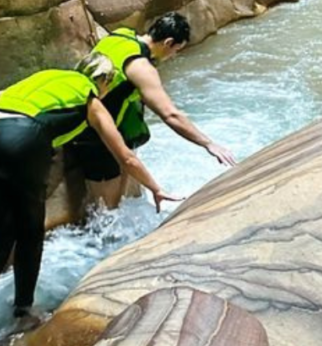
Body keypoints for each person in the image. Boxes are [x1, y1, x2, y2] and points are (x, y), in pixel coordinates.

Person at [0, 53, 177, 344]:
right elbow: (125, 156)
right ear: (104, 81)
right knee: (29, 233)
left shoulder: (46, 78)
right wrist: (157, 189)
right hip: (24, 138)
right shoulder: (91, 98)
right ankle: (23, 310)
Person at [67, 12, 237, 209]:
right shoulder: (141, 67)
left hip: (93, 123)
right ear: (168, 42)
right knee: (109, 210)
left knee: (130, 197)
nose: (173, 56)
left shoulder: (120, 35)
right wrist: (209, 144)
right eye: (176, 50)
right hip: (95, 136)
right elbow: (170, 114)